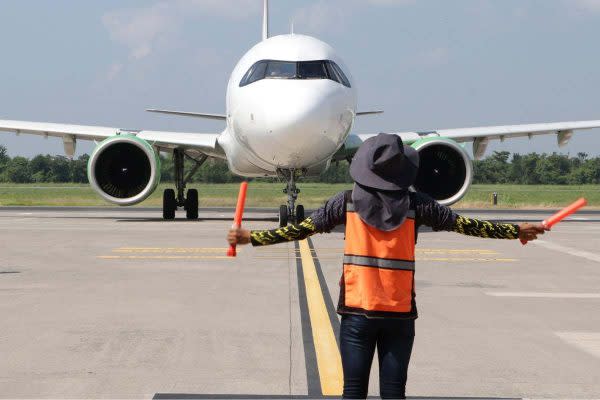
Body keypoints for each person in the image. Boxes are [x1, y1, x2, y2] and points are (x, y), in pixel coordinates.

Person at [227, 133, 547, 399]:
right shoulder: (417, 204)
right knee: (394, 393)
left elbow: (299, 230)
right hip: (399, 314)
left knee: (353, 392)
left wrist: (252, 237)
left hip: (357, 311)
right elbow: (466, 225)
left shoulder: (346, 202)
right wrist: (515, 231)